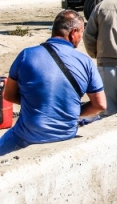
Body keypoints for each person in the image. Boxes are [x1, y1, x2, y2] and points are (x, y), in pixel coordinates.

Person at [0, 10, 106, 156]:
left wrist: (37, 105)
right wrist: (68, 113)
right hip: (65, 135)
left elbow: (9, 95)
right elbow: (100, 105)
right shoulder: (86, 62)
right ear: (73, 32)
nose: (81, 37)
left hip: (27, 135)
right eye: (81, 32)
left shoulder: (26, 55)